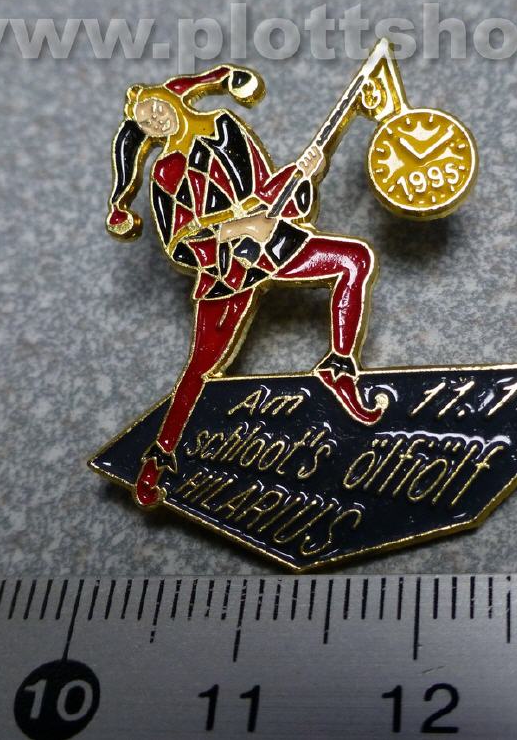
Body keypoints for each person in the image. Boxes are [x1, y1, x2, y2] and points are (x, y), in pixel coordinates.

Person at [106, 65, 385, 508]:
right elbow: (179, 244)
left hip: (275, 246)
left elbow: (266, 193)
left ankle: (339, 367)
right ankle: (158, 459)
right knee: (201, 368)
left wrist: (303, 175)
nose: (154, 119)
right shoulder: (165, 173)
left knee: (355, 260)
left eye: (155, 108)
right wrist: (236, 230)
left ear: (173, 99)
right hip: (226, 273)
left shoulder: (226, 127)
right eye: (145, 122)